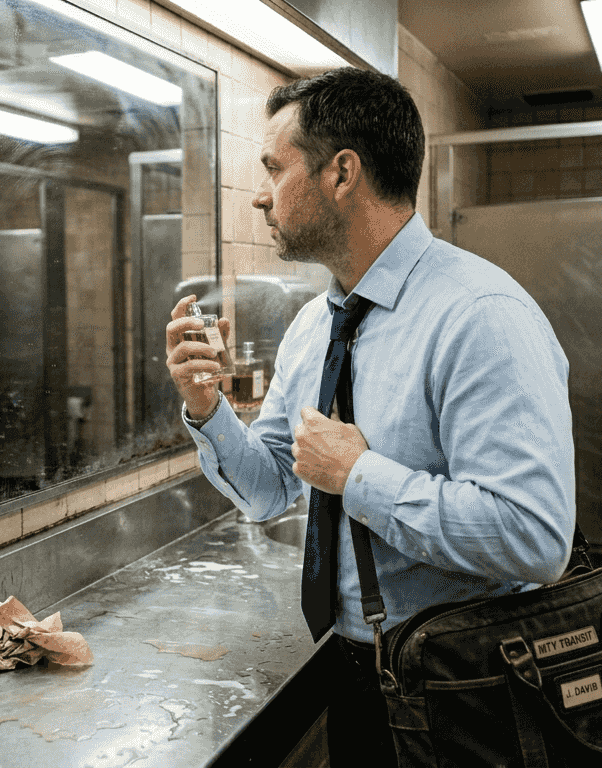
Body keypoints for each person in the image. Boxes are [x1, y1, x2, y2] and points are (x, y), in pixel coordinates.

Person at [164, 67, 576, 763]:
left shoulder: (480, 317)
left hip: (468, 684)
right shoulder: (312, 326)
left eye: (274, 168)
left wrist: (360, 475)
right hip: (354, 667)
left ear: (342, 173)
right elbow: (269, 491)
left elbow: (534, 538)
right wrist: (206, 407)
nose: (260, 197)